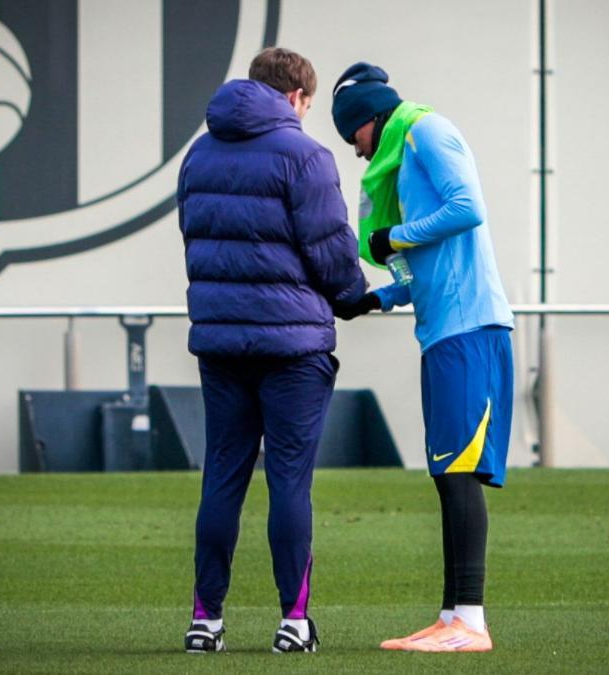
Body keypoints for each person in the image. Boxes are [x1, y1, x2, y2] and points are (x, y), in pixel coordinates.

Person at [177, 47, 372, 655]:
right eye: (309, 105)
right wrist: (354, 298)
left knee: (222, 477)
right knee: (289, 482)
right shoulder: (305, 156)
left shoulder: (197, 154)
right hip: (293, 349)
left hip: (221, 343)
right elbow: (331, 249)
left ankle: (205, 621)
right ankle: (294, 621)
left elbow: (195, 238)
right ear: (295, 98)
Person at [331, 62, 515, 653]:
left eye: (352, 138)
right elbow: (426, 266)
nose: (356, 154)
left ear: (369, 119)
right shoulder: (401, 154)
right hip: (444, 334)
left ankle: (472, 623)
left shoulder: (426, 131)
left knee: (459, 474)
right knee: (446, 474)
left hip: (470, 331)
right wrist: (378, 297)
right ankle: (451, 615)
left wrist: (395, 239)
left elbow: (467, 209)